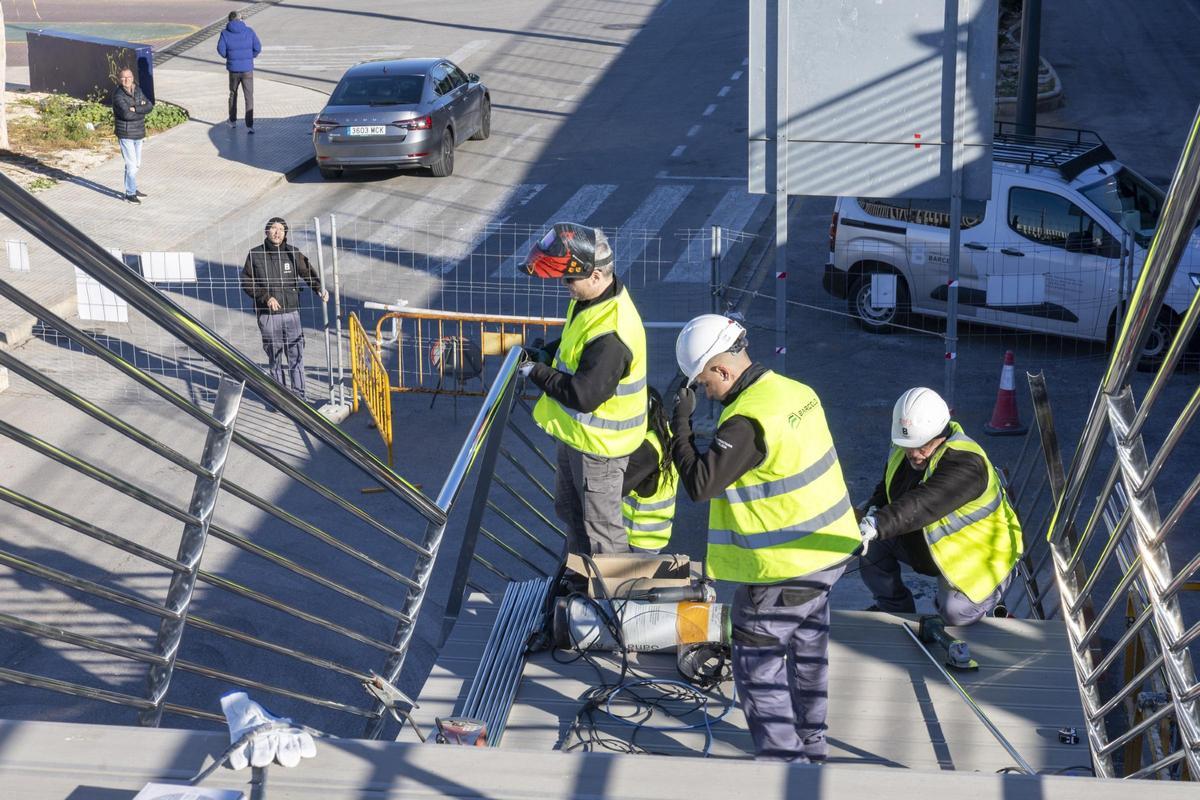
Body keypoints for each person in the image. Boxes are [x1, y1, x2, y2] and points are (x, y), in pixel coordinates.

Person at [670, 314, 861, 763]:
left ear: (723, 370)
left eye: (704, 383)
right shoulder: (796, 392)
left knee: (756, 655)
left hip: (786, 566)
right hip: (829, 551)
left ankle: (784, 763)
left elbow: (700, 484)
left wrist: (679, 425)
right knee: (808, 647)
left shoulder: (746, 421)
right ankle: (812, 745)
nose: (706, 393)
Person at [519, 222, 648, 556]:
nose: (565, 286)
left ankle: (608, 603)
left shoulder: (612, 333)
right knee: (571, 511)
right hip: (579, 438)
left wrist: (535, 371)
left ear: (595, 275)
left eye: (569, 279)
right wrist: (547, 353)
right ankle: (579, 580)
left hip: (601, 449)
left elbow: (583, 395)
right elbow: (574, 343)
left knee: (602, 532)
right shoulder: (592, 301)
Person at [858, 387, 1023, 625]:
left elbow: (923, 503)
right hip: (930, 546)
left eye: (921, 446)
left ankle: (988, 606)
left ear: (941, 433)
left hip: (977, 558)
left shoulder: (967, 464)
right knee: (870, 544)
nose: (913, 454)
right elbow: (887, 488)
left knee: (955, 613)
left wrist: (876, 523)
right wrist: (872, 510)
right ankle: (896, 611)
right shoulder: (905, 448)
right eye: (908, 445)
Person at [240, 218, 328, 400]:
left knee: (296, 354)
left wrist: (319, 288)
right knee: (275, 356)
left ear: (285, 234)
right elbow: (247, 282)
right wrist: (266, 297)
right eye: (273, 228)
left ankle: (299, 396)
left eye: (281, 229)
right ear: (266, 232)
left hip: (291, 313)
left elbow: (307, 273)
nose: (277, 232)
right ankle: (280, 398)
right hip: (268, 315)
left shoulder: (292, 253)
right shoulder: (255, 254)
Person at [620, 388, 678, 554]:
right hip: (654, 534)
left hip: (635, 536)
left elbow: (615, 486)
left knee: (627, 580)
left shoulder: (647, 449)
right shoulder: (665, 434)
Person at [111, 68, 152, 204]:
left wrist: (136, 108)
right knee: (131, 165)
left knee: (136, 165)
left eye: (128, 77)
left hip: (139, 133)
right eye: (123, 78)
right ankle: (130, 194)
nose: (126, 80)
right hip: (126, 134)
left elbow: (150, 106)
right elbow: (126, 115)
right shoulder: (118, 95)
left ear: (133, 77)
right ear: (119, 80)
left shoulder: (138, 90)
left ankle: (132, 187)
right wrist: (140, 108)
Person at [217, 11, 262, 133]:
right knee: (249, 97)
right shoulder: (249, 31)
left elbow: (221, 50)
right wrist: (249, 57)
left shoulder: (225, 33)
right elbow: (258, 47)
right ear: (240, 19)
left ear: (229, 20)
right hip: (247, 70)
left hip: (233, 70)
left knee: (233, 94)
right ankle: (249, 125)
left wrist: (230, 57)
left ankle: (232, 121)